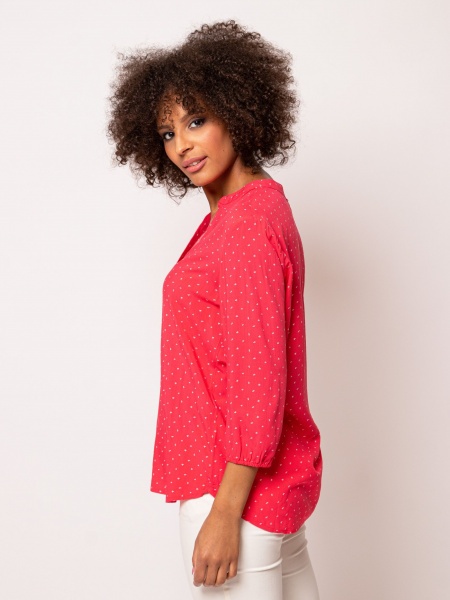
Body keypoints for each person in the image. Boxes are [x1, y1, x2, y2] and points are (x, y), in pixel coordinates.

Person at [107, 19, 323, 600]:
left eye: (196, 120)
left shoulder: (246, 226)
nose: (182, 144)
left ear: (238, 113)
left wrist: (225, 513)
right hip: (268, 489)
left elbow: (259, 377)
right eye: (167, 131)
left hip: (230, 490)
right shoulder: (249, 213)